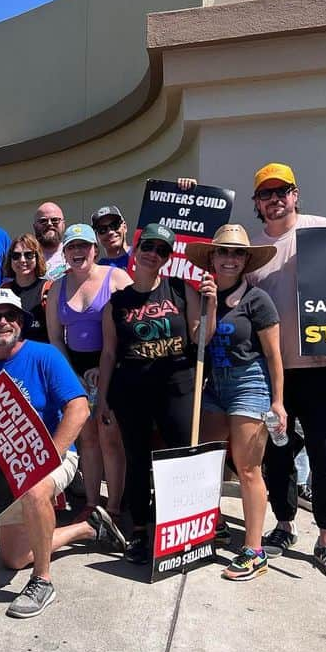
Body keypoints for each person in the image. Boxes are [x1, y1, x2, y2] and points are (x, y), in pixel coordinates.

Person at [0, 290, 126, 619]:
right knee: (13, 558)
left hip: (53, 455)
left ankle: (43, 581)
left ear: (21, 323)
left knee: (35, 488)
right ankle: (88, 529)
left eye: (11, 315)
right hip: (0, 470)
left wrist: (48, 455)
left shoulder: (45, 356)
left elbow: (79, 408)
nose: (3, 322)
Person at [245, 162, 326, 582]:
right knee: (276, 456)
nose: (275, 200)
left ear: (295, 194)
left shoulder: (324, 230)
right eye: (265, 194)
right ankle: (285, 524)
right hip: (271, 375)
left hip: (318, 368)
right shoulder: (252, 251)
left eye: (282, 191)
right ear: (257, 202)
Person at [98, 223, 216, 565]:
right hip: (131, 390)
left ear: (167, 258)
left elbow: (200, 337)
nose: (153, 254)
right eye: (148, 246)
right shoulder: (117, 303)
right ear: (136, 250)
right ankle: (139, 531)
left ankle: (177, 528)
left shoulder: (180, 290)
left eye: (162, 250)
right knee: (137, 460)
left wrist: (213, 300)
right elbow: (109, 353)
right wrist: (102, 398)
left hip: (177, 386)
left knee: (180, 458)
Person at [185, 225, 286, 581]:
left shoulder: (258, 300)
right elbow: (201, 339)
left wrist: (278, 402)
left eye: (237, 253)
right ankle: (215, 526)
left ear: (245, 260)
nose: (230, 259)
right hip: (214, 385)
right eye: (223, 252)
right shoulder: (202, 294)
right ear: (212, 257)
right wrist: (210, 303)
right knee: (209, 463)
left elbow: (274, 355)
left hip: (250, 383)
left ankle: (255, 550)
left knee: (246, 468)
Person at [47, 224, 132, 520]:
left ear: (95, 249)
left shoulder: (116, 277)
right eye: (72, 247)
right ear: (65, 252)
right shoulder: (58, 286)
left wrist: (107, 366)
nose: (78, 252)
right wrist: (71, 375)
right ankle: (92, 504)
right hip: (76, 371)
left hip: (112, 365)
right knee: (88, 439)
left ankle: (115, 507)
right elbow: (55, 338)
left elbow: (134, 326)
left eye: (84, 246)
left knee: (110, 437)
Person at [0, 233, 51, 344]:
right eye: (16, 256)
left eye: (28, 255)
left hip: (41, 356)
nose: (22, 260)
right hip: (10, 356)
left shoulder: (49, 289)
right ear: (10, 259)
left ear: (37, 257)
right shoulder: (2, 291)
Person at [32, 202, 68, 281]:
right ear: (34, 226)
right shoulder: (25, 257)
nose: (49, 224)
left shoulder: (74, 254)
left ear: (63, 225)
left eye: (55, 220)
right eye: (43, 221)